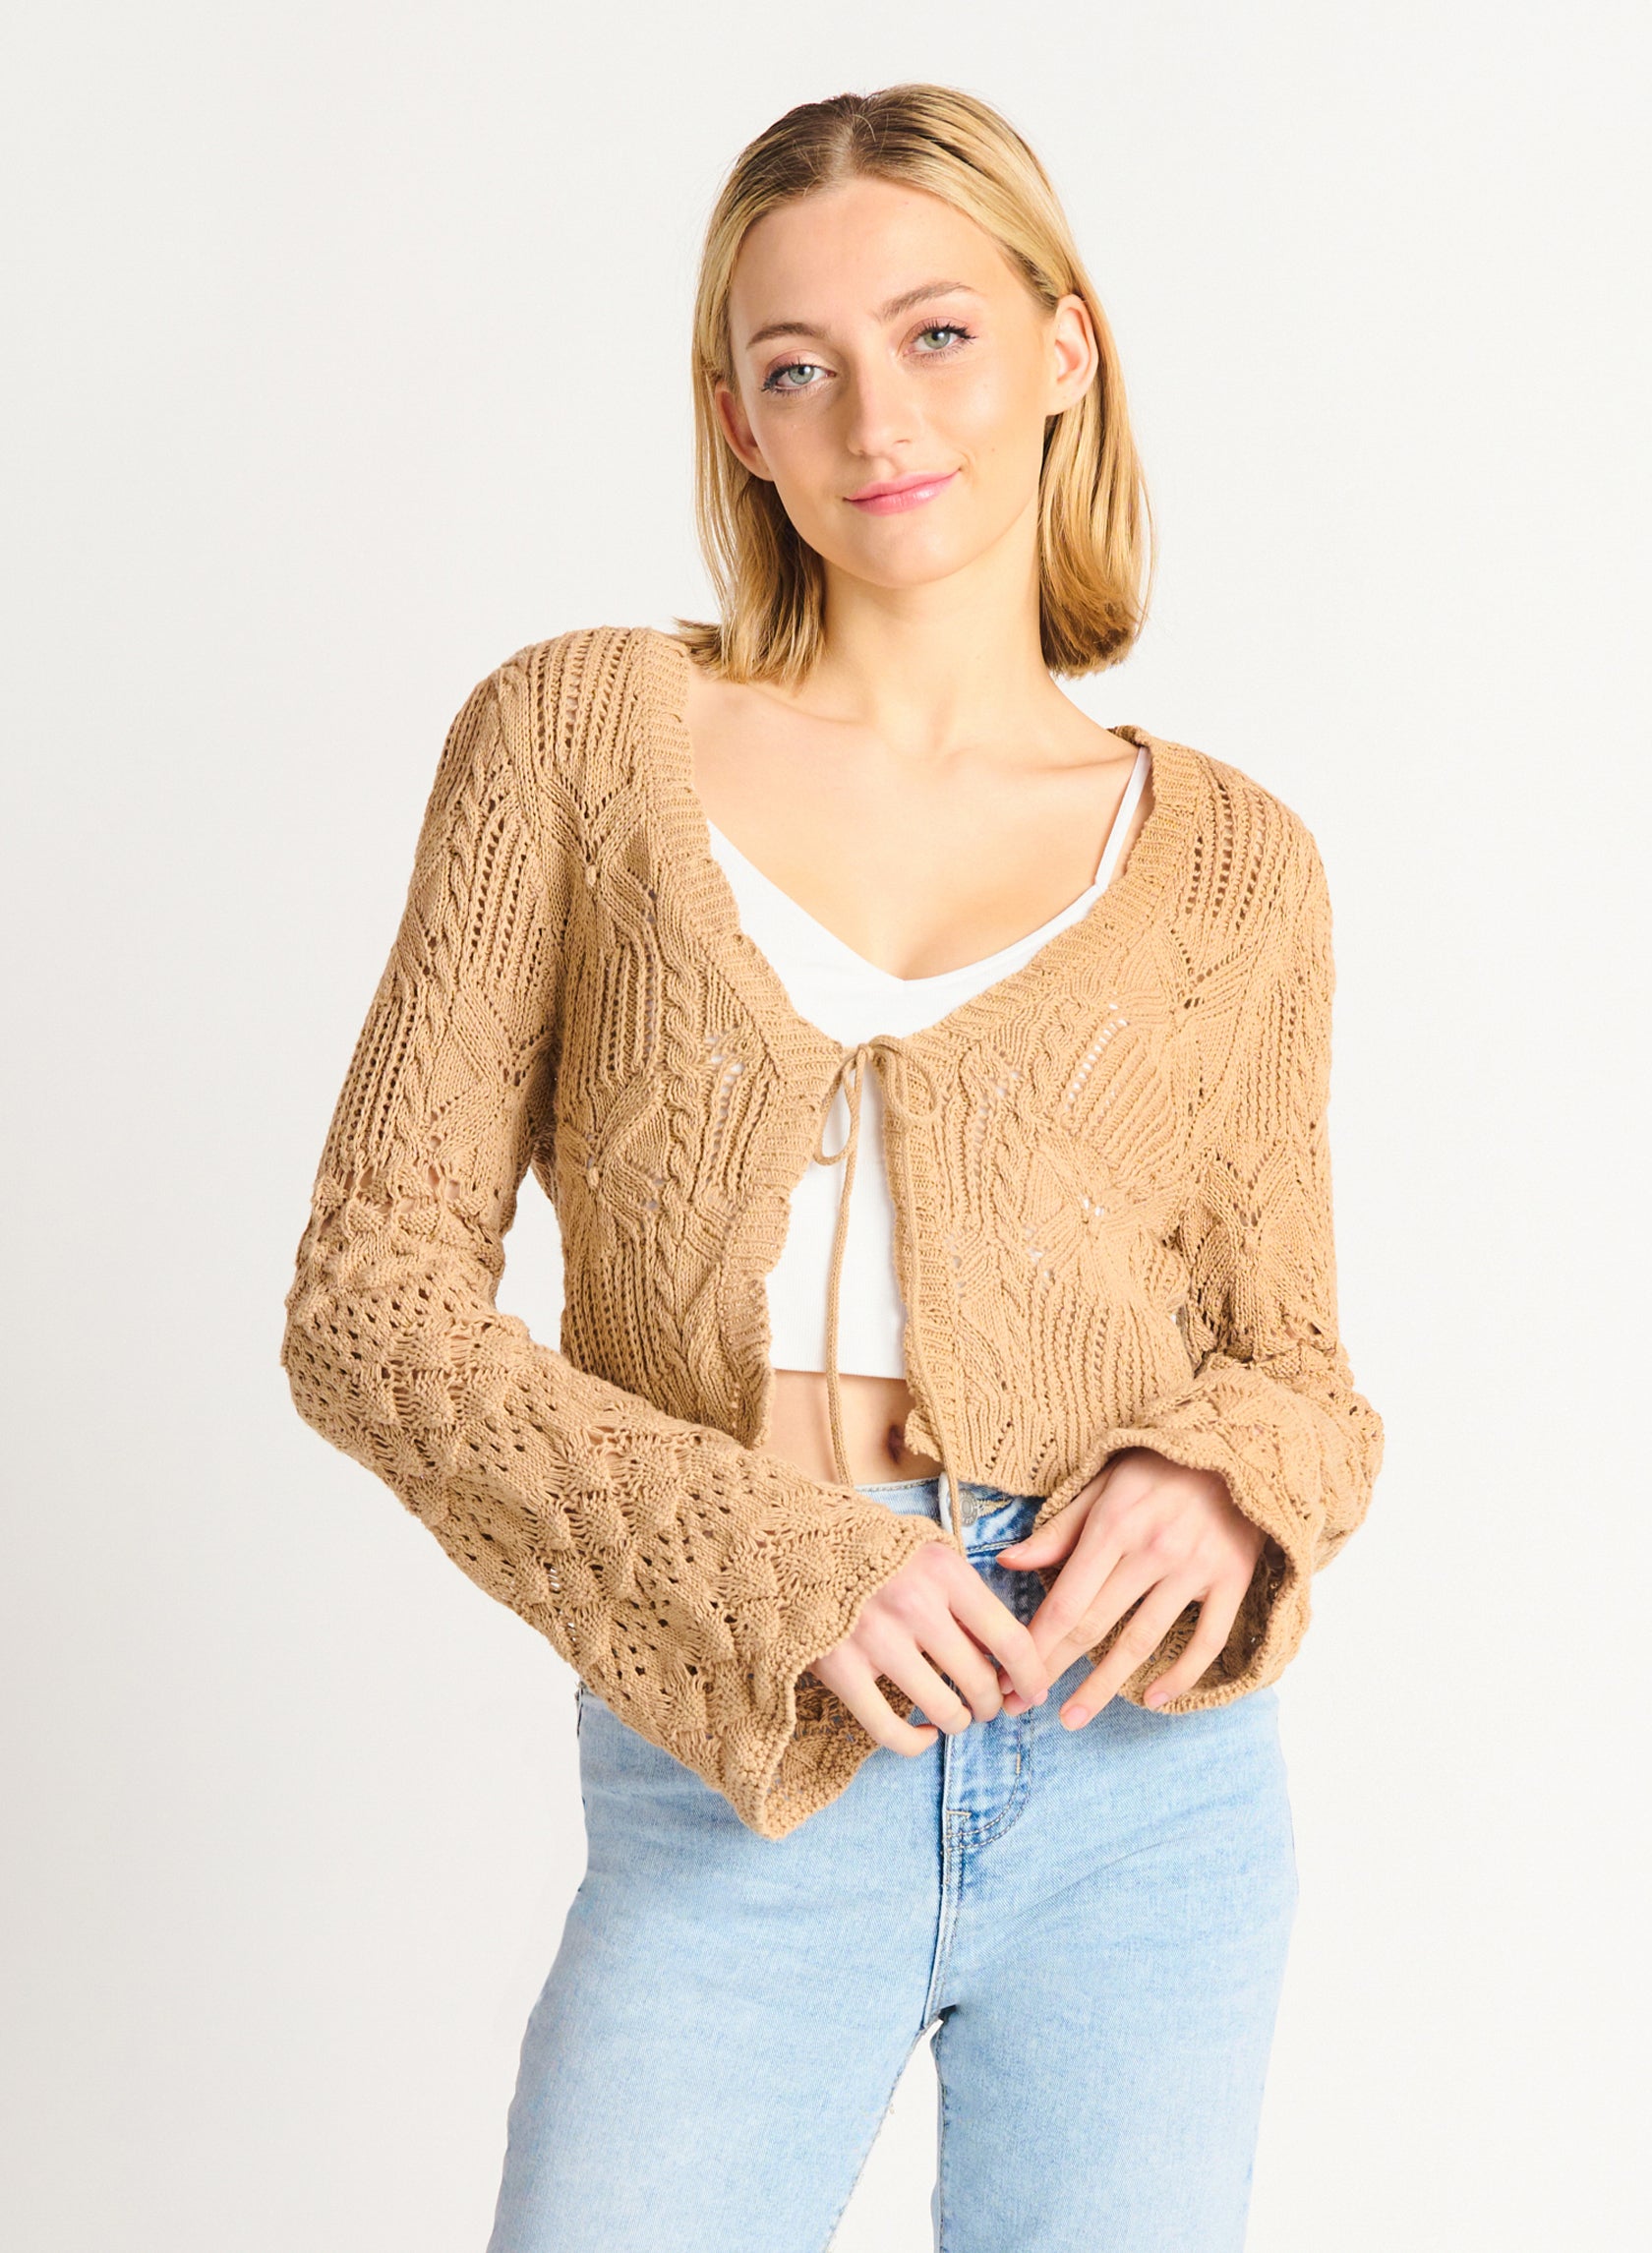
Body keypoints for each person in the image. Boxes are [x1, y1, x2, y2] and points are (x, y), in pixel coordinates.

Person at [279, 82, 1385, 2253]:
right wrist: (777, 1563)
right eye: (798, 368)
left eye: (938, 334)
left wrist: (1221, 1477)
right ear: (740, 425)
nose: (877, 416)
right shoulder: (575, 738)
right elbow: (367, 1311)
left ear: (1064, 348)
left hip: (1145, 1787)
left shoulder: (1236, 862)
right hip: (744, 1748)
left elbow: (1305, 1376)